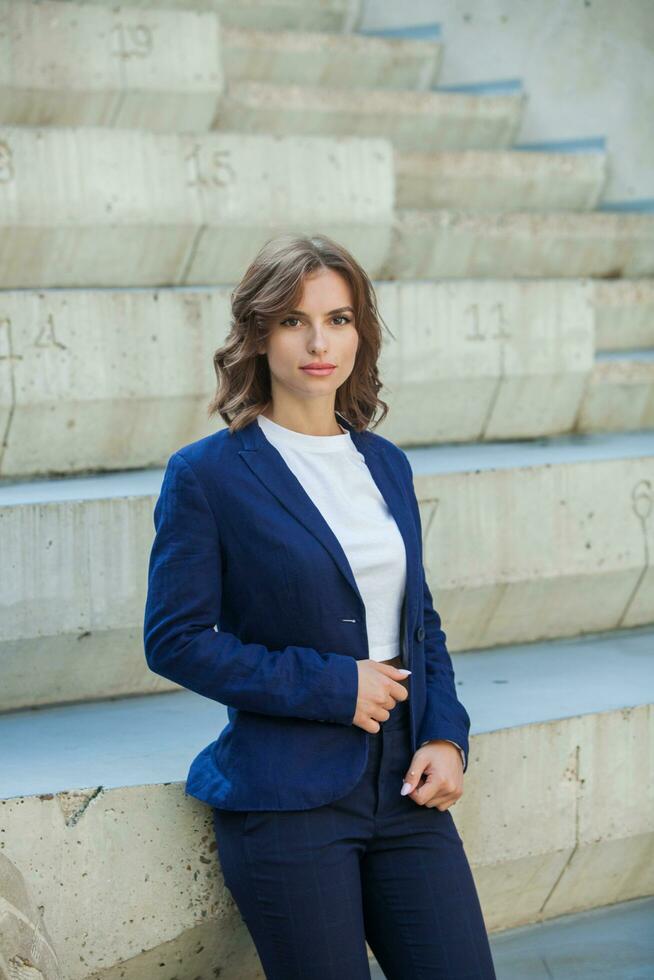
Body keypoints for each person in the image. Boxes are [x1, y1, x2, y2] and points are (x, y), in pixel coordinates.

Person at [143, 233, 497, 979]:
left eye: (338, 319)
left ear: (360, 332)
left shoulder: (384, 462)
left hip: (408, 786)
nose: (317, 342)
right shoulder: (207, 475)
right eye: (293, 320)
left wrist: (445, 734)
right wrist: (334, 686)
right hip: (288, 797)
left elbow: (418, 620)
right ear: (258, 332)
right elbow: (176, 640)